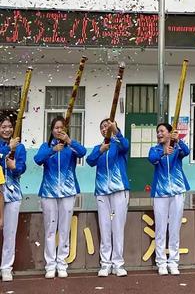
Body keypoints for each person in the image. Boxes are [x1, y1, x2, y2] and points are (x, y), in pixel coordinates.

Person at [34, 116, 86, 278]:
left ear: (65, 130)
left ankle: (62, 263)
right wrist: (52, 150)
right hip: (48, 193)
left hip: (68, 192)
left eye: (61, 128)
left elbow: (83, 153)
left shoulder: (71, 147)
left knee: (64, 228)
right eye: (56, 128)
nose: (58, 130)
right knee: (50, 229)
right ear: (52, 130)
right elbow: (37, 159)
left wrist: (69, 141)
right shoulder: (46, 146)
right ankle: (50, 264)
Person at [86, 119, 130, 277]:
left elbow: (126, 145)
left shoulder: (119, 145)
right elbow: (90, 161)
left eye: (108, 126)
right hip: (102, 192)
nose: (105, 128)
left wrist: (116, 132)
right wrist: (101, 151)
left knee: (117, 228)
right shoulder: (98, 148)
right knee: (105, 228)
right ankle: (105, 264)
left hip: (119, 190)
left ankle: (118, 263)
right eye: (102, 127)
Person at [148, 122, 190, 276]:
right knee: (160, 229)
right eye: (157, 131)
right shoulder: (155, 149)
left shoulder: (177, 147)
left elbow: (187, 151)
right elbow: (152, 159)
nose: (159, 134)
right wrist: (163, 152)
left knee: (174, 229)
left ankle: (173, 261)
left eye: (162, 131)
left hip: (178, 191)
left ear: (169, 133)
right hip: (160, 193)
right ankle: (161, 262)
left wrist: (178, 140)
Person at [0, 113, 27, 282]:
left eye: (10, 127)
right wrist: (7, 149)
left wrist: (14, 166)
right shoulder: (8, 146)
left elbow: (21, 168)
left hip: (13, 194)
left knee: (9, 233)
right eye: (3, 126)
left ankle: (6, 267)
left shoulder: (21, 147)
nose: (7, 129)